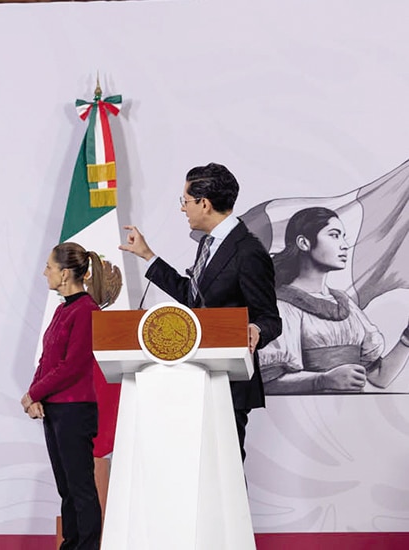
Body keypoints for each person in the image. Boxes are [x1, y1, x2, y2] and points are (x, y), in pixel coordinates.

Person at [119, 162, 281, 461]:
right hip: (195, 376)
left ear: (204, 204)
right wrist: (148, 256)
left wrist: (256, 330)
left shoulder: (248, 251)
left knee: (225, 470)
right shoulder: (209, 244)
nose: (183, 209)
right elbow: (194, 300)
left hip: (228, 384)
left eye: (186, 201)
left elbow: (270, 318)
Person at [258, 207, 409, 393]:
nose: (344, 245)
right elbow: (267, 383)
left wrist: (406, 339)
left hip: (349, 415)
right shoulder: (281, 306)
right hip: (302, 416)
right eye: (334, 235)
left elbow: (379, 377)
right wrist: (322, 380)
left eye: (343, 236)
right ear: (304, 243)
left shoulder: (345, 304)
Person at [21, 242, 106, 550]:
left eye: (49, 267)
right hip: (56, 409)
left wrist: (33, 393)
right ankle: (71, 544)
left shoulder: (86, 310)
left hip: (75, 410)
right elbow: (47, 359)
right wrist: (36, 395)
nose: (45, 273)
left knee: (80, 487)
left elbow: (72, 366)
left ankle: (87, 546)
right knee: (66, 488)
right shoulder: (62, 308)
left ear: (65, 273)